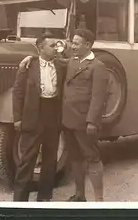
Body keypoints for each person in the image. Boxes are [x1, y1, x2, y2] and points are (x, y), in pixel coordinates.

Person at [19, 28, 109, 202]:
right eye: (72, 42)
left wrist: (92, 121)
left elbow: (99, 98)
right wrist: (31, 57)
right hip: (68, 121)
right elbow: (47, 62)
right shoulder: (70, 62)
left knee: (92, 157)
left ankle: (99, 201)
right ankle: (80, 195)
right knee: (75, 158)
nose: (72, 46)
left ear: (88, 45)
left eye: (76, 43)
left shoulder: (98, 66)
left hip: (85, 123)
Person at [12, 33, 67, 202]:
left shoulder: (61, 65)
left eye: (56, 46)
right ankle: (20, 201)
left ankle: (44, 199)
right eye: (52, 46)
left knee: (50, 160)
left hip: (53, 113)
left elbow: (74, 59)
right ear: (41, 48)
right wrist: (17, 118)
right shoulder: (28, 66)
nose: (56, 49)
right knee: (27, 159)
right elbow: (18, 92)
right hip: (33, 115)